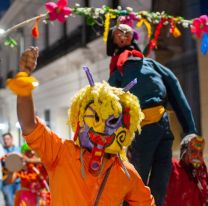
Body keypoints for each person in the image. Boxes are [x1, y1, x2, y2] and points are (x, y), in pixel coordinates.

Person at [10, 47, 155, 205]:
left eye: (112, 121)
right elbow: (29, 125)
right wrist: (24, 79)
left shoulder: (126, 173)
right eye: (95, 117)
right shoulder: (60, 153)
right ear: (79, 119)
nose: (102, 128)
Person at [107, 22, 199, 206]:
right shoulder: (118, 73)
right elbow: (111, 108)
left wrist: (190, 130)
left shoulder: (152, 65)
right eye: (119, 33)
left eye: (127, 31)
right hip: (140, 130)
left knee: (161, 179)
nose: (124, 35)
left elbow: (177, 93)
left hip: (163, 127)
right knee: (137, 179)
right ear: (113, 40)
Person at [163, 135, 208, 206]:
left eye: (201, 153)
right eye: (193, 151)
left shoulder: (201, 174)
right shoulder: (173, 167)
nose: (197, 156)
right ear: (184, 152)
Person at [2, 132, 21, 206]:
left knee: (19, 202)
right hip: (6, 181)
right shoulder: (1, 150)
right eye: (4, 139)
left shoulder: (18, 149)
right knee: (9, 202)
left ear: (12, 139)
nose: (6, 141)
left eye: (7, 139)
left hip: (17, 181)